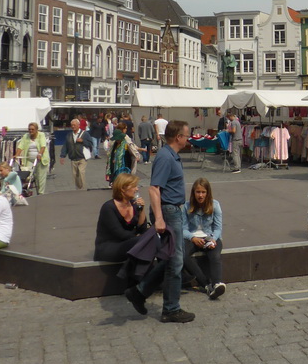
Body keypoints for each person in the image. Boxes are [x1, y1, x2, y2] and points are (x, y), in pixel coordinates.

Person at [124, 120, 195, 323]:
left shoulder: (171, 155)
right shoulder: (165, 157)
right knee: (175, 261)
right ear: (178, 137)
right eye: (186, 134)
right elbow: (154, 189)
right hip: (169, 212)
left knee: (172, 260)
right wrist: (160, 219)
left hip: (174, 211)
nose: (188, 138)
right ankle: (171, 309)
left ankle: (139, 292)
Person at [182, 178, 226, 300]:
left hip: (210, 236)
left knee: (215, 255)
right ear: (193, 193)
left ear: (208, 193)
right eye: (198, 192)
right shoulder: (187, 206)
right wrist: (193, 238)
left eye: (203, 192)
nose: (200, 195)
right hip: (192, 237)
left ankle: (217, 283)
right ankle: (206, 284)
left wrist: (212, 239)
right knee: (183, 255)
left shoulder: (215, 205)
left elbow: (218, 228)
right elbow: (183, 229)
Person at [94, 173, 150, 261]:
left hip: (128, 244)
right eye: (134, 186)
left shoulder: (133, 204)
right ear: (123, 188)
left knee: (153, 237)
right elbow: (120, 234)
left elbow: (142, 229)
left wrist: (142, 210)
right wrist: (140, 237)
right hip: (109, 247)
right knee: (143, 241)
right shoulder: (108, 207)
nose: (137, 189)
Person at [14, 122, 50, 195]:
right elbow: (21, 146)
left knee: (40, 178)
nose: (31, 131)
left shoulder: (41, 135)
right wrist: (16, 155)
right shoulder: (26, 136)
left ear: (37, 130)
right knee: (28, 175)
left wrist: (40, 154)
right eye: (29, 129)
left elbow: (43, 146)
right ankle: (28, 188)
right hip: (30, 159)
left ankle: (41, 193)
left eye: (33, 129)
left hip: (41, 159)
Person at [60, 119, 95, 191]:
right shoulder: (69, 135)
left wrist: (83, 141)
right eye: (72, 125)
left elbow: (91, 144)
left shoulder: (85, 134)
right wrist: (62, 156)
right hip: (73, 158)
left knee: (81, 172)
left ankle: (83, 189)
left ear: (78, 125)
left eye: (74, 125)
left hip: (82, 158)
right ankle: (78, 189)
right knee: (75, 175)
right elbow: (66, 146)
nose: (73, 126)